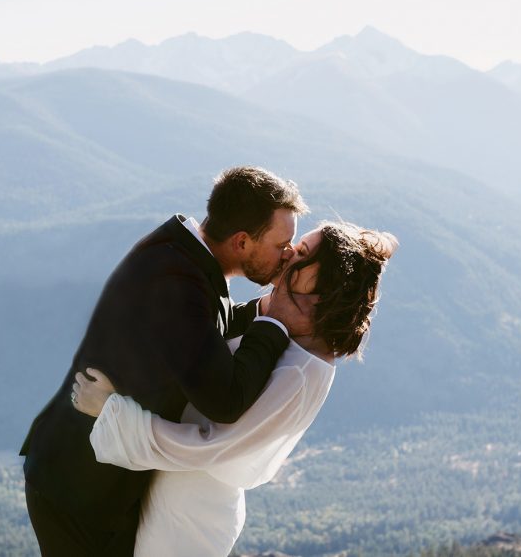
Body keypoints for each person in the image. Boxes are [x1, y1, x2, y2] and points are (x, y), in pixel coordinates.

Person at [19, 166, 316, 556]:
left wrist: (262, 309)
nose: (289, 255)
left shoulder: (186, 258)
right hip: (78, 489)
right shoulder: (176, 281)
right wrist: (274, 323)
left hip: (99, 482)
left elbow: (207, 327)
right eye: (282, 244)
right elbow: (225, 401)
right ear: (242, 242)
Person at [72, 221, 397, 557]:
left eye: (301, 252)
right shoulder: (292, 338)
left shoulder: (302, 370)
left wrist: (110, 410)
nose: (288, 253)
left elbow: (213, 445)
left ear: (325, 285)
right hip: (176, 493)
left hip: (189, 519)